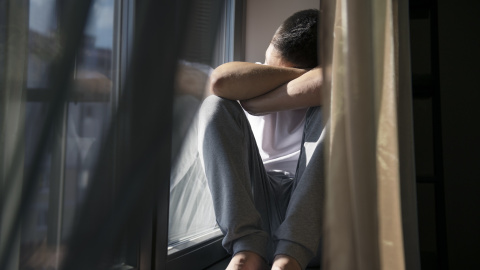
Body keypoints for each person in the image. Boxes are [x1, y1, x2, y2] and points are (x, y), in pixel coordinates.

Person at [198, 9, 325, 270]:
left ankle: (290, 258)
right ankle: (247, 250)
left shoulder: (335, 79)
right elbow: (220, 81)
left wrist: (263, 100)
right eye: (268, 65)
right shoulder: (256, 76)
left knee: (336, 110)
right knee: (214, 106)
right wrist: (296, 78)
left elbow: (337, 80)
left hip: (310, 214)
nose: (266, 71)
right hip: (256, 210)